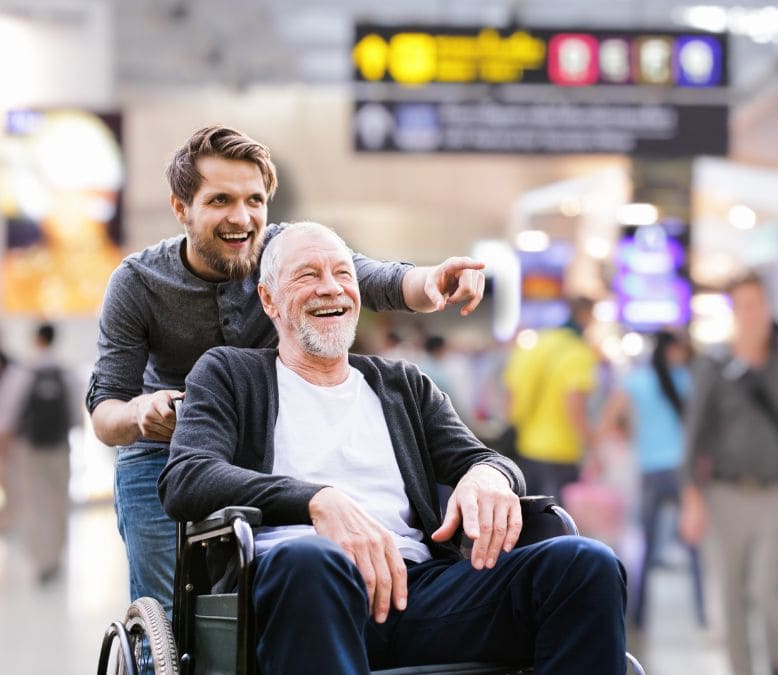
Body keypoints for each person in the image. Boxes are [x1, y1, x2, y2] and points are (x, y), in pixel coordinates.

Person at [158, 222, 627, 674]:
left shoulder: (401, 385)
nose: (331, 288)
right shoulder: (230, 374)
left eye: (343, 274)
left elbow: (483, 458)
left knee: (586, 565)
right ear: (269, 300)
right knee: (312, 561)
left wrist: (490, 475)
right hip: (302, 590)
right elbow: (187, 478)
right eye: (308, 275)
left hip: (416, 591)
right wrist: (316, 501)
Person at [87, 125, 489, 615]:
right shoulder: (137, 283)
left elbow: (378, 279)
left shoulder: (283, 255)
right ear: (181, 208)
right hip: (162, 454)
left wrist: (436, 281)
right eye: (220, 201)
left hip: (257, 449)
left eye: (254, 200)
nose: (242, 218)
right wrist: (141, 413)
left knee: (263, 602)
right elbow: (105, 411)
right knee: (171, 614)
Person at [679, 272, 778, 675]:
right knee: (729, 592)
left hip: (777, 492)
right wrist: (691, 499)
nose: (753, 314)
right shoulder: (713, 365)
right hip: (725, 494)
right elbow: (695, 435)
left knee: (768, 588)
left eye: (758, 304)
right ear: (734, 312)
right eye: (744, 306)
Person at [599, 329, 705, 631]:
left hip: (651, 472)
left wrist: (618, 437)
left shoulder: (637, 381)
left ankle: (639, 617)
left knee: (647, 544)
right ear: (673, 350)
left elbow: (608, 419)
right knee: (695, 547)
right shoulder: (687, 380)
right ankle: (702, 615)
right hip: (685, 472)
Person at [0, 323, 82, 585]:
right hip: (60, 446)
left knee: (35, 503)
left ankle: (40, 561)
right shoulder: (65, 372)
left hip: (30, 449)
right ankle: (56, 556)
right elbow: (76, 416)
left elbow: (8, 416)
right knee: (58, 501)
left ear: (36, 340)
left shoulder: (23, 372)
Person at [503, 297, 599, 499]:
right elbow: (574, 405)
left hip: (526, 449)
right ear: (584, 315)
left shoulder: (534, 345)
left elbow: (511, 395)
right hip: (561, 452)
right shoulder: (578, 352)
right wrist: (592, 448)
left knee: (531, 520)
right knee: (558, 524)